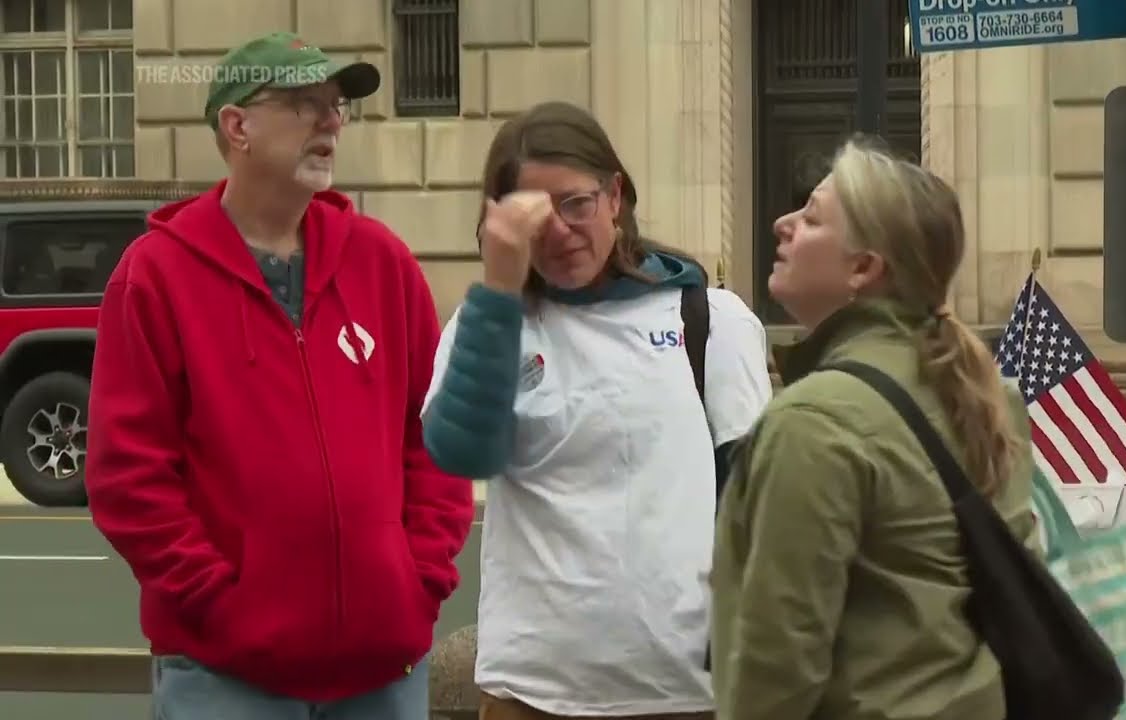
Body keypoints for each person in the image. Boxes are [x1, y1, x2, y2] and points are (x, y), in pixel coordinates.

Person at [85, 31, 474, 719]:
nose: (332, 123)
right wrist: (219, 605)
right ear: (237, 126)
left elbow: (433, 440)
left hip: (382, 671)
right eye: (305, 104)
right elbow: (128, 477)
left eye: (337, 106)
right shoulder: (156, 276)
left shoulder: (382, 263)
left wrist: (418, 583)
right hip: (225, 677)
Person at [420, 100, 774, 720]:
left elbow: (755, 499)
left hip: (686, 691)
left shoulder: (709, 319)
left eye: (576, 204)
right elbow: (461, 450)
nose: (559, 231)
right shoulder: (491, 325)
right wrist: (499, 291)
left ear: (615, 197)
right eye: (533, 215)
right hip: (535, 691)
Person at [709, 138, 1038, 720]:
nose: (782, 224)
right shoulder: (987, 396)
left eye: (812, 219)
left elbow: (778, 667)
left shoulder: (813, 422)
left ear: (864, 267)